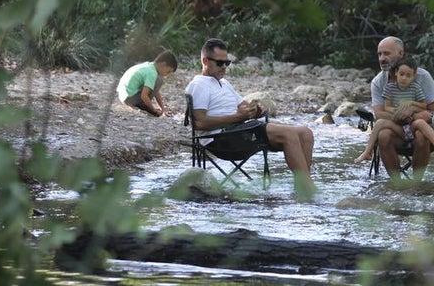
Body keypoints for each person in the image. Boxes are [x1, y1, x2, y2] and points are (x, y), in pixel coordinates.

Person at [186, 37, 316, 197]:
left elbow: (242, 106)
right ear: (205, 60)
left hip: (238, 131)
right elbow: (199, 123)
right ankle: (308, 190)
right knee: (289, 135)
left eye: (227, 63)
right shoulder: (199, 84)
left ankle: (303, 187)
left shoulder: (224, 83)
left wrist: (253, 110)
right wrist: (237, 117)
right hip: (222, 139)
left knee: (305, 133)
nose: (224, 67)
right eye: (220, 63)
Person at [369, 36, 434, 178]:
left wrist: (413, 111)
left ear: (401, 53)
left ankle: (416, 183)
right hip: (397, 132)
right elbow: (378, 113)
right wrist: (401, 115)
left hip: (421, 131)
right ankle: (397, 183)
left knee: (421, 135)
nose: (382, 58)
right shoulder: (378, 82)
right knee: (383, 135)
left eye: (387, 53)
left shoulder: (422, 76)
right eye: (379, 54)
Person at [354, 57, 434, 165]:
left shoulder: (416, 88)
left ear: (413, 76)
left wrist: (411, 104)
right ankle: (367, 152)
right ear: (396, 72)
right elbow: (386, 107)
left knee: (420, 123)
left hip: (412, 126)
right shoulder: (390, 88)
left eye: (408, 76)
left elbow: (423, 105)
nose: (404, 78)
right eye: (402, 74)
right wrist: (397, 111)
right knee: (379, 123)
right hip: (399, 129)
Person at [117, 51, 178, 117]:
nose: (167, 75)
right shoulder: (152, 73)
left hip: (123, 96)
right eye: (168, 71)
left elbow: (155, 92)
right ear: (163, 64)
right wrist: (153, 110)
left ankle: (145, 106)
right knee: (159, 80)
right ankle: (142, 106)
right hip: (129, 99)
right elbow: (144, 96)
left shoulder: (149, 65)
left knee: (157, 80)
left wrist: (163, 109)